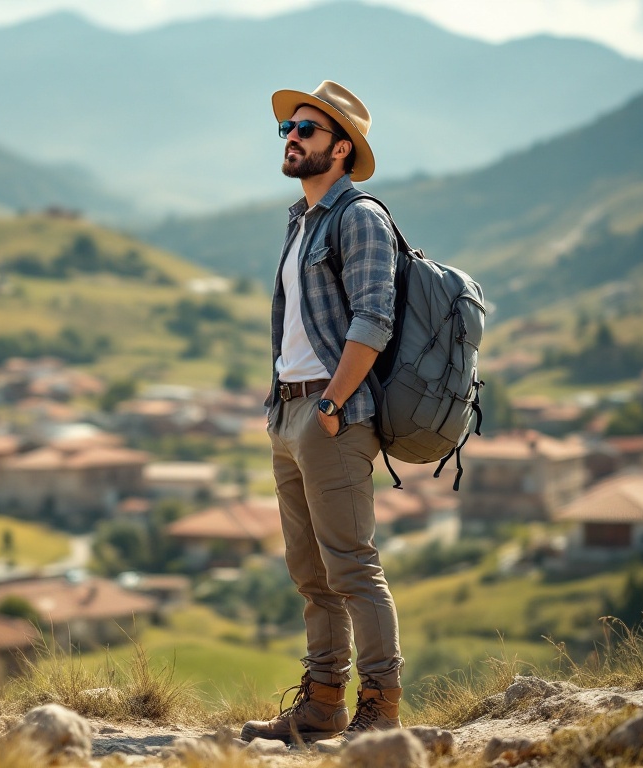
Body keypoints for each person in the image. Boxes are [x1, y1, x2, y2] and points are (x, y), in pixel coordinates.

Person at [241, 80, 403, 745]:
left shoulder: (357, 215)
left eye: (306, 130)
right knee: (311, 574)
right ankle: (322, 704)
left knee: (352, 567)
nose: (293, 138)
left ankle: (382, 708)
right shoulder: (301, 219)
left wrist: (334, 402)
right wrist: (282, 408)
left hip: (331, 414)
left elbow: (375, 318)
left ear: (341, 148)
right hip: (289, 413)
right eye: (288, 129)